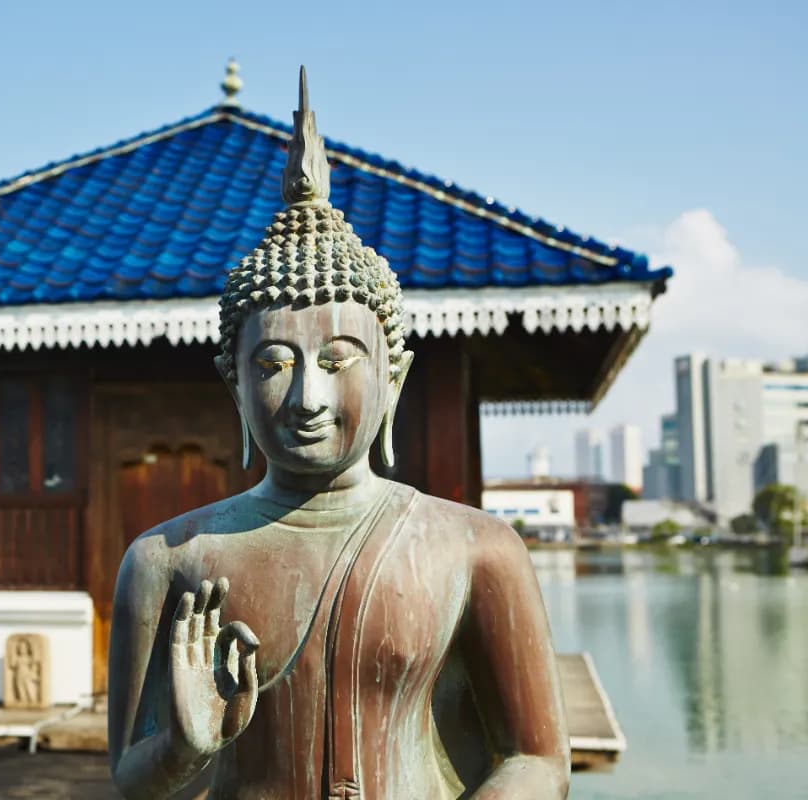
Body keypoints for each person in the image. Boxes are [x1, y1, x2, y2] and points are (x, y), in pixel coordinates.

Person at [108, 68, 569, 800]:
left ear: (396, 378)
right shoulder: (167, 561)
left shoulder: (477, 549)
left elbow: (538, 759)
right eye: (273, 363)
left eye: (336, 361)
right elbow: (132, 780)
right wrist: (180, 746)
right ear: (234, 381)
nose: (307, 398)